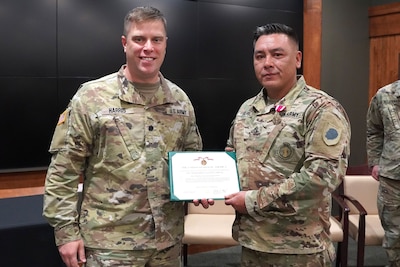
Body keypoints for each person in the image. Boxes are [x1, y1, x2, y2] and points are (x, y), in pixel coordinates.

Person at [43, 6, 204, 267]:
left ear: (165, 44)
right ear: (124, 43)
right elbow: (64, 170)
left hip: (166, 243)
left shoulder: (180, 101)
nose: (148, 48)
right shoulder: (91, 98)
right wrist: (65, 233)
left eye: (156, 40)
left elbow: (192, 160)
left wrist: (200, 187)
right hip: (110, 243)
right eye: (139, 39)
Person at [224, 23, 351, 266]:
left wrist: (252, 201)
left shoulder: (321, 109)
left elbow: (321, 178)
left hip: (300, 249)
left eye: (277, 54)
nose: (267, 62)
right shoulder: (247, 109)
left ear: (298, 59)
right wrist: (208, 185)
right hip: (252, 241)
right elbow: (232, 157)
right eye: (260, 56)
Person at [366, 79, 400, 267]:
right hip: (392, 178)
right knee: (394, 233)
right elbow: (374, 130)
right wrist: (375, 162)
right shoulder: (385, 95)